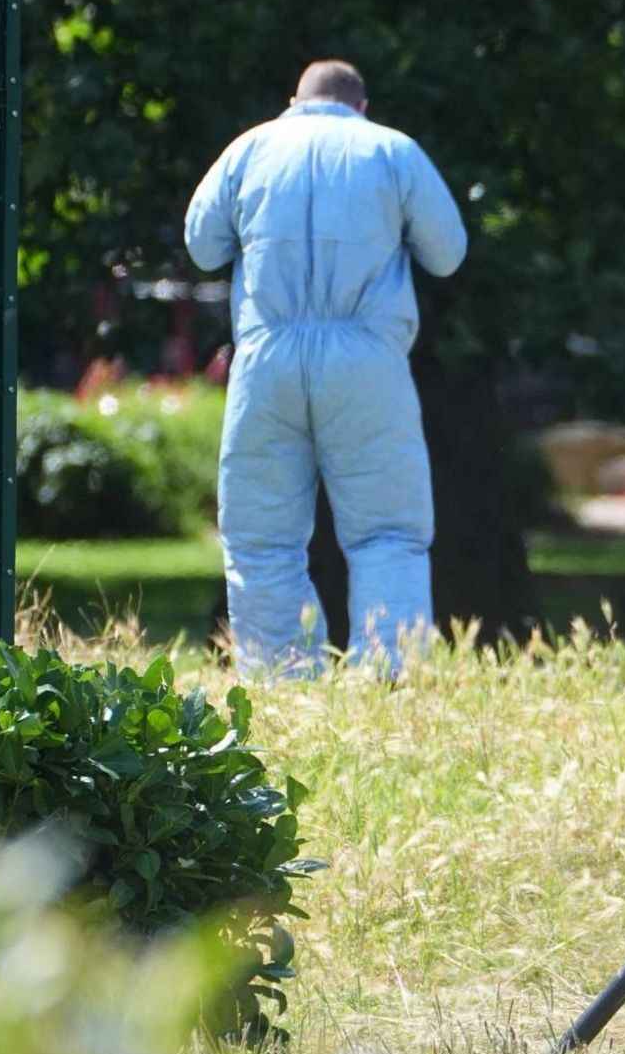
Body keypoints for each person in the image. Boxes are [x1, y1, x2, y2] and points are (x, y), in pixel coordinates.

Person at [184, 60, 467, 677]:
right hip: (367, 359)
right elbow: (447, 255)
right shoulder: (392, 150)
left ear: (295, 101)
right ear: (361, 107)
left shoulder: (250, 148)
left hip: (267, 358)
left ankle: (282, 679)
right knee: (388, 532)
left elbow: (202, 246)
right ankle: (388, 678)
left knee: (261, 538)